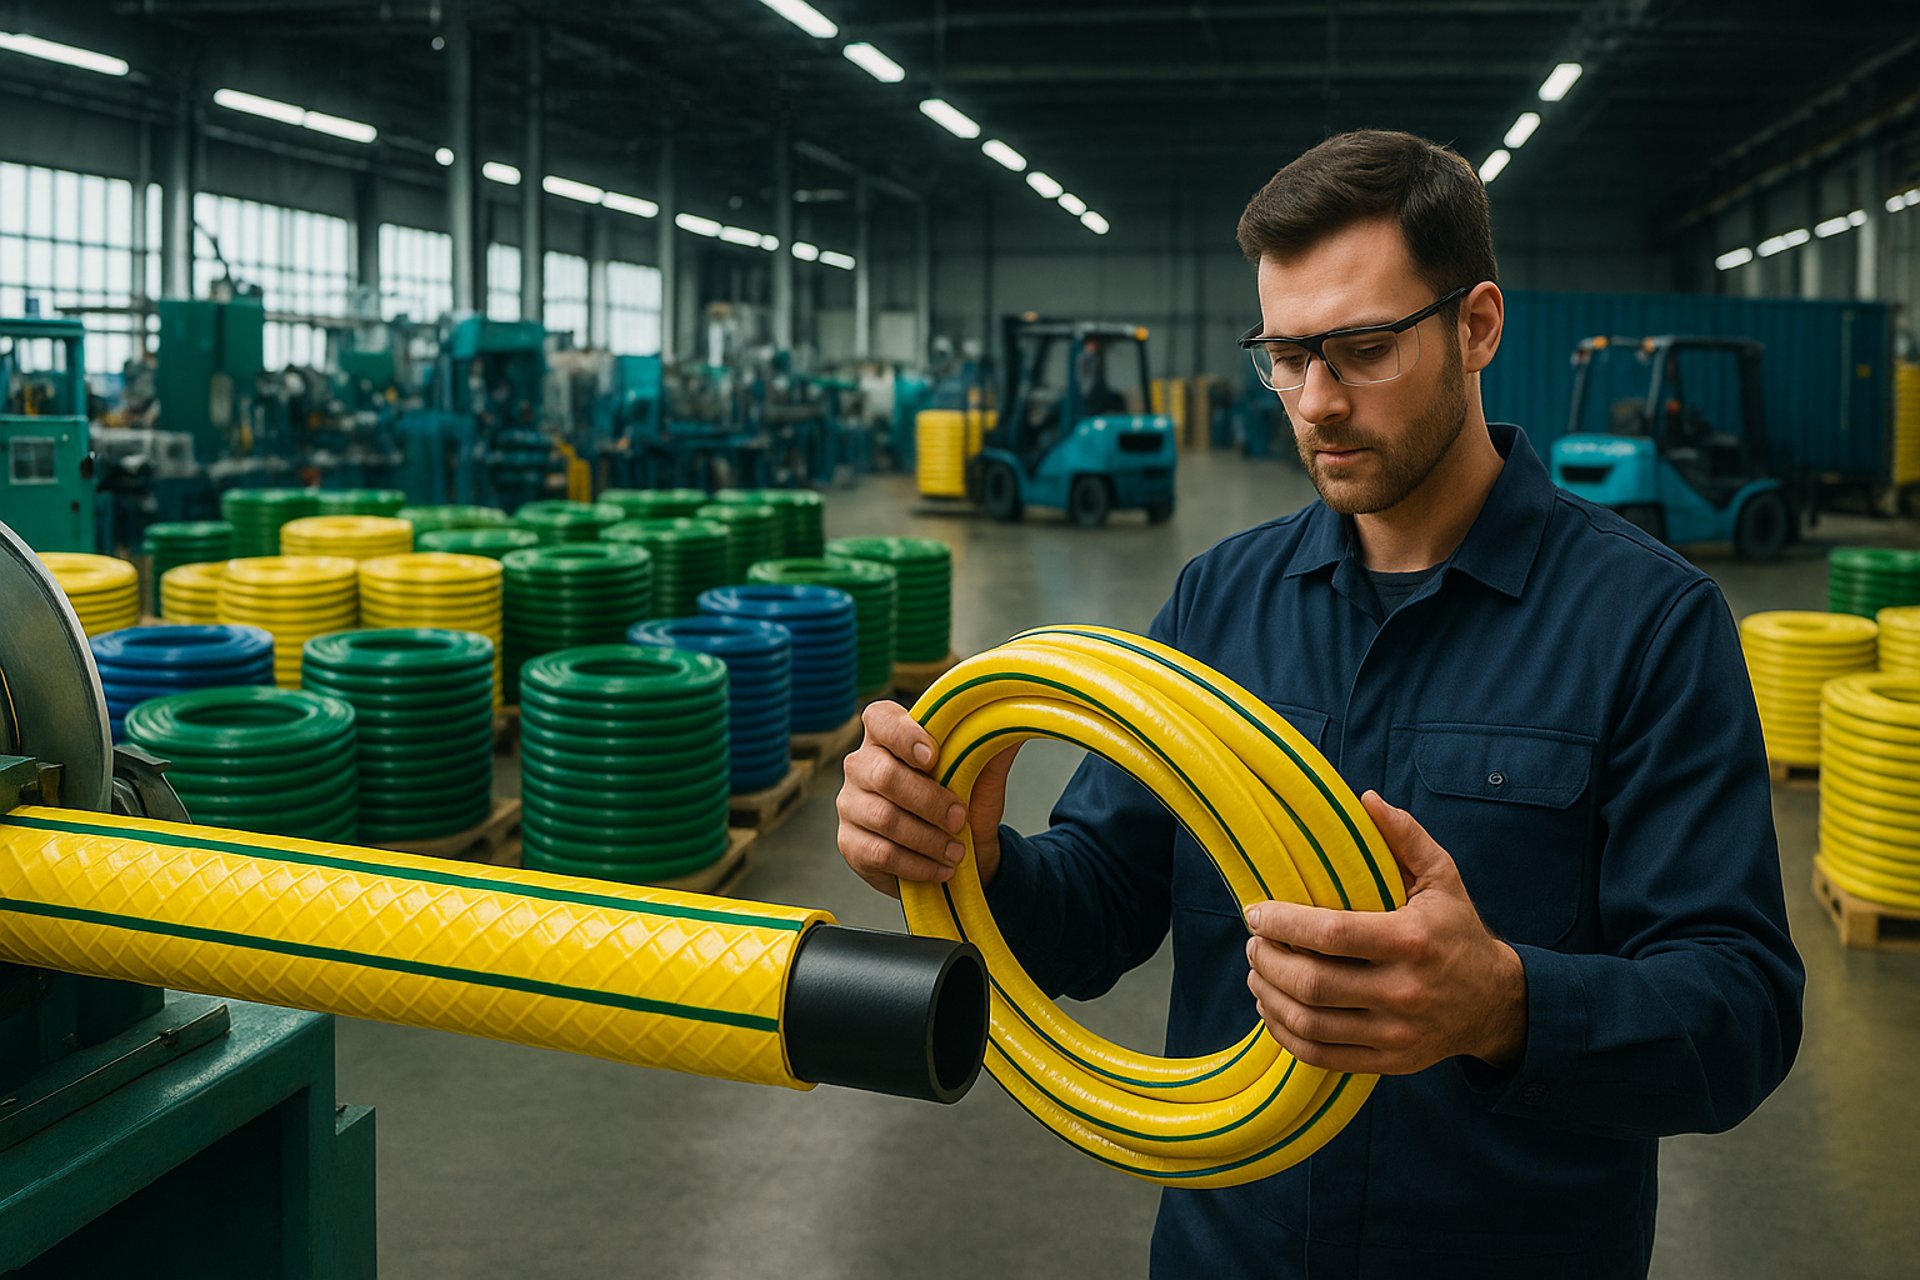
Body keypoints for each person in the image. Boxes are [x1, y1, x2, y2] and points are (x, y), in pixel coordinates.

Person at [836, 129, 1804, 1278]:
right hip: (1228, 1250)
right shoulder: (1220, 601)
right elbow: (1099, 901)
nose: (1317, 402)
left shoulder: (1647, 621)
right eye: (1286, 356)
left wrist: (1502, 1001)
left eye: (1361, 347)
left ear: (1477, 324)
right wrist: (972, 860)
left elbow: (1739, 1008)